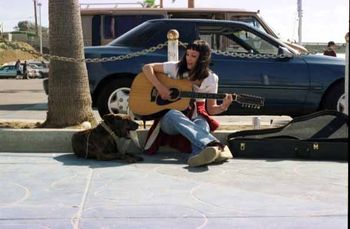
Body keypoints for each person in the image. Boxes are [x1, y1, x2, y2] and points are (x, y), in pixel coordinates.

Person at [142, 40, 233, 167]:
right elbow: (147, 67)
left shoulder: (211, 79)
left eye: (194, 56)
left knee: (202, 123)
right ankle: (217, 146)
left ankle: (197, 157)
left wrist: (223, 106)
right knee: (174, 113)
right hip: (170, 122)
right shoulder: (176, 67)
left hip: (195, 117)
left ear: (202, 59)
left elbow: (211, 109)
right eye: (187, 54)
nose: (189, 59)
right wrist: (161, 88)